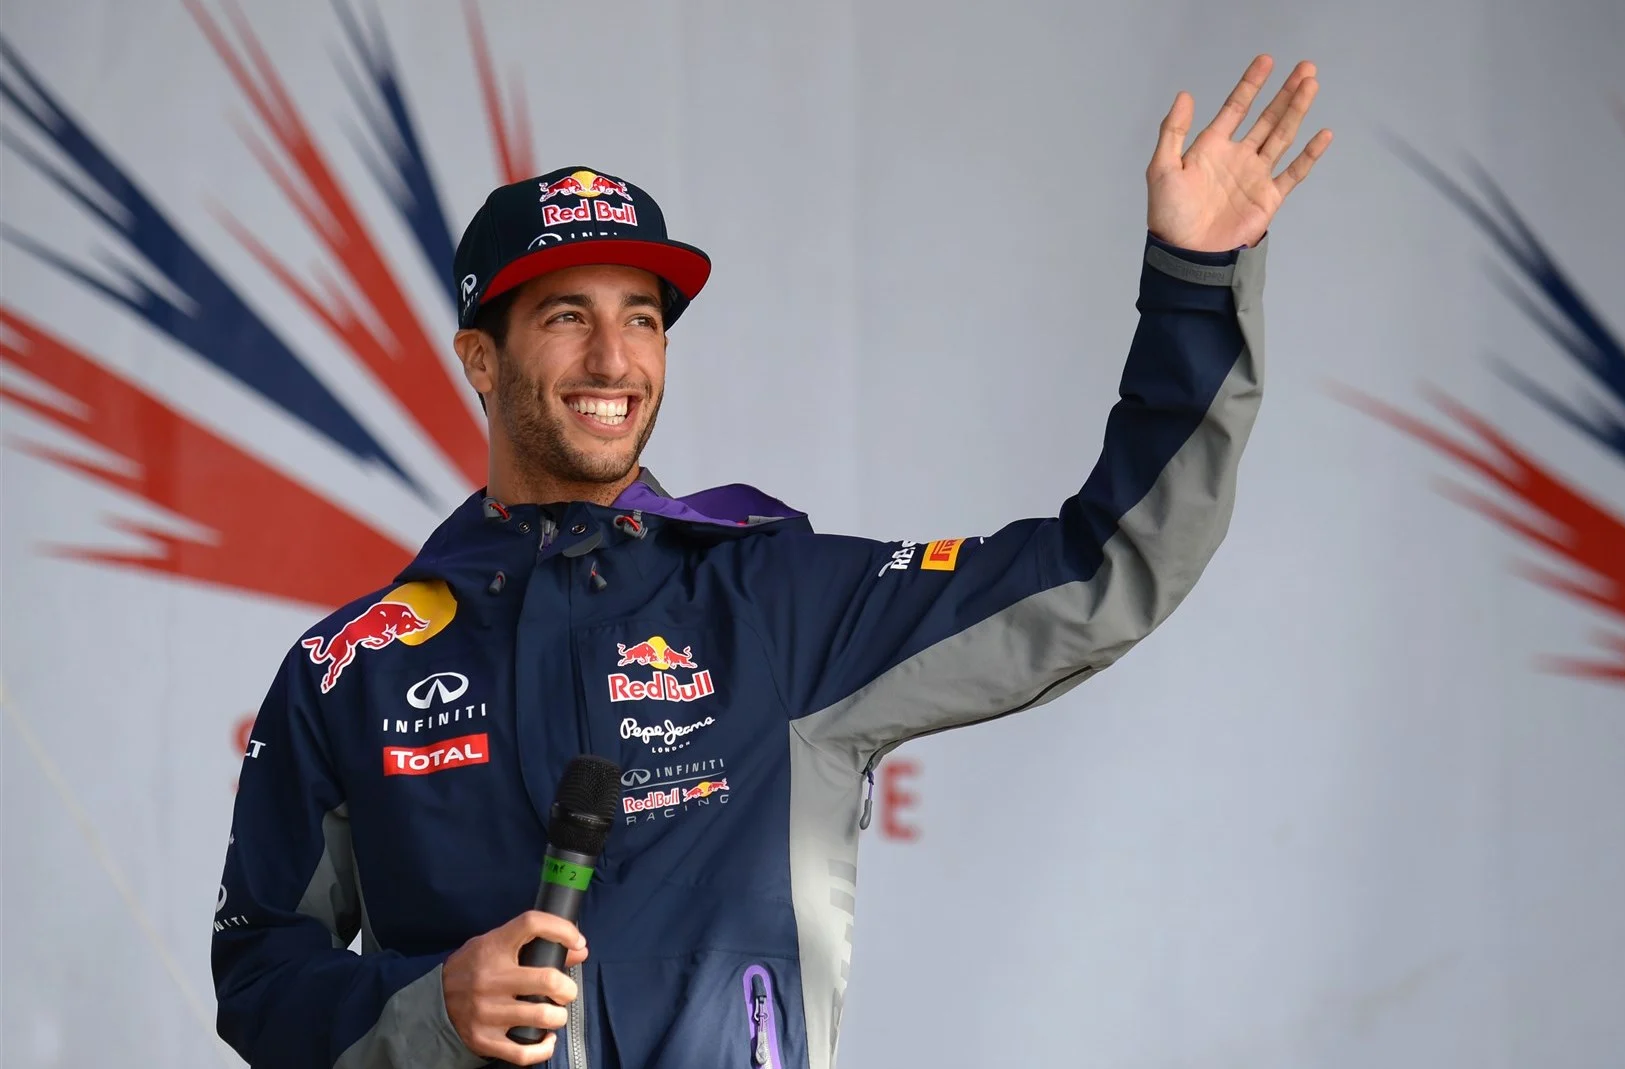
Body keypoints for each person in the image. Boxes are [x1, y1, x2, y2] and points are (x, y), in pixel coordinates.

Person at [211, 53, 1330, 1069]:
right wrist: (432, 1005)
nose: (614, 359)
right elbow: (257, 975)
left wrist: (1194, 283)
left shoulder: (780, 605)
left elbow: (1102, 574)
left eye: (643, 319)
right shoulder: (354, 667)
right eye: (565, 317)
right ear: (479, 359)